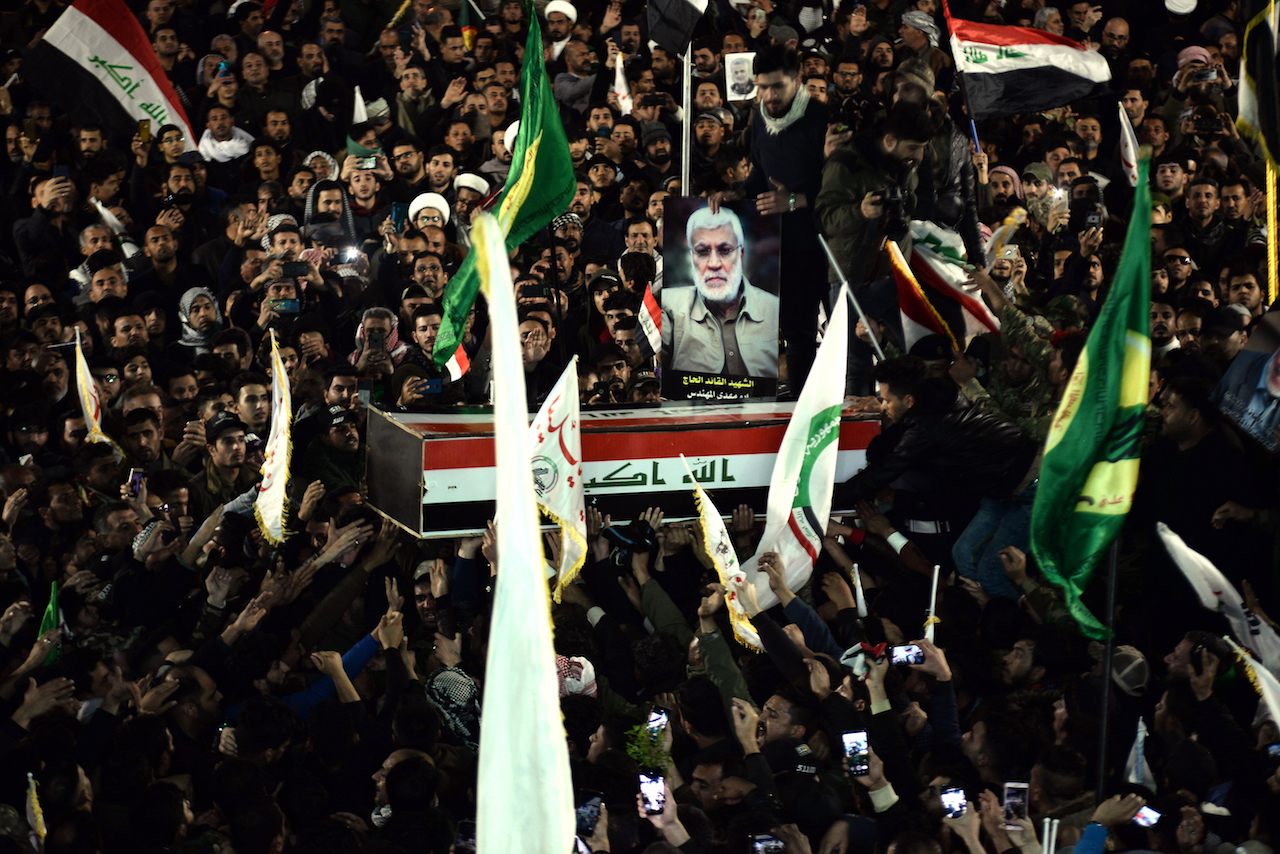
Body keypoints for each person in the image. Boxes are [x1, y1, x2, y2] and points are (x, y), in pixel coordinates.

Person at [661, 205, 778, 379]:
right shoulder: (668, 305)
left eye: (725, 251)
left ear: (741, 254)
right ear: (691, 257)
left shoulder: (774, 310)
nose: (714, 263)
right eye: (702, 252)